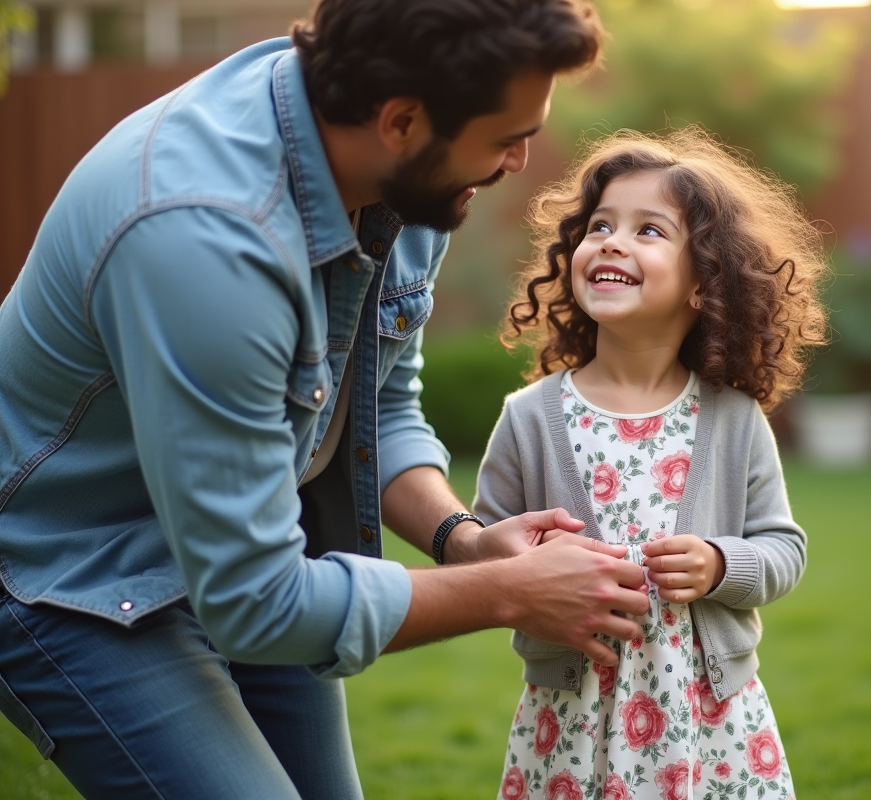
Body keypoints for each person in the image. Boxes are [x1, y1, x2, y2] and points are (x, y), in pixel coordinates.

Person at [0, 0, 654, 797]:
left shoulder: (399, 170)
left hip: (254, 529)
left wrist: (464, 541)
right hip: (69, 562)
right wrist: (506, 593)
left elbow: (381, 399)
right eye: (506, 137)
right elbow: (256, 602)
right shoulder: (204, 241)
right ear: (402, 121)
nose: (520, 160)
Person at [473, 129, 827, 800]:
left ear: (704, 283)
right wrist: (527, 568)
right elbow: (482, 554)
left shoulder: (733, 419)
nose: (611, 240)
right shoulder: (530, 417)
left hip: (707, 717)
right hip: (573, 717)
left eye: (648, 230)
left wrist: (721, 565)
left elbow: (783, 549)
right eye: (599, 224)